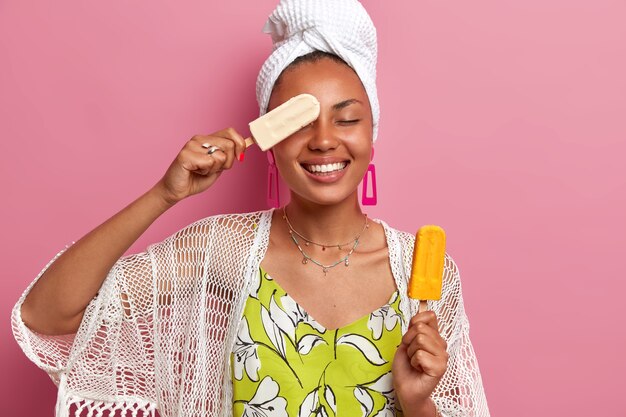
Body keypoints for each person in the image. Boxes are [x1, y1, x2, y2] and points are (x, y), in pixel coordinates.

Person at [12, 1, 489, 416]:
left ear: (371, 133)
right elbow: (47, 317)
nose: (324, 140)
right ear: (270, 141)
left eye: (346, 119)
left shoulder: (425, 276)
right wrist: (165, 194)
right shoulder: (220, 251)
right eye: (299, 123)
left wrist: (419, 403)